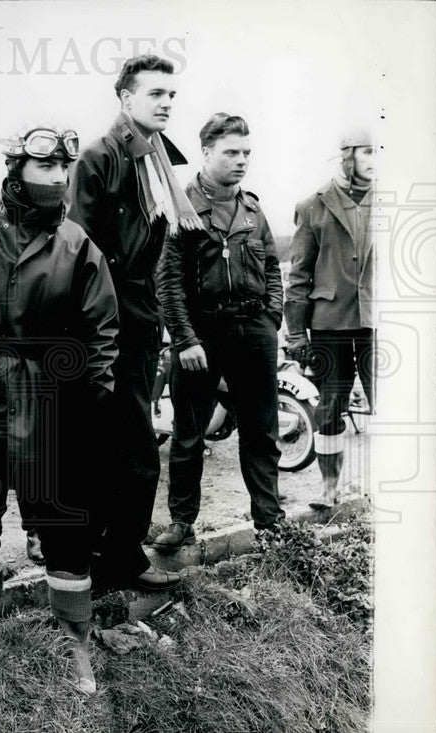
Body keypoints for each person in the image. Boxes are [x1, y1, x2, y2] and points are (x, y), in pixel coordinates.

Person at [0, 125, 119, 694]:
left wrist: (94, 397)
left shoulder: (76, 243)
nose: (57, 177)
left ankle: (75, 638)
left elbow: (102, 330)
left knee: (64, 521)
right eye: (45, 166)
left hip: (51, 398)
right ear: (17, 170)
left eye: (63, 168)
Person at [67, 54, 198, 589]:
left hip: (139, 320)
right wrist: (97, 329)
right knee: (122, 448)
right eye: (155, 94)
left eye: (171, 95)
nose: (166, 103)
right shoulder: (99, 157)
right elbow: (76, 250)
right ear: (125, 98)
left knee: (132, 446)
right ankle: (99, 564)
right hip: (106, 324)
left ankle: (115, 559)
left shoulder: (157, 159)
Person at [154, 113, 285, 552]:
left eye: (246, 152)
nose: (241, 160)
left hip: (253, 330)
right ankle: (182, 522)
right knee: (189, 435)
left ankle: (270, 524)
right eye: (231, 152)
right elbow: (168, 281)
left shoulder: (252, 209)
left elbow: (271, 267)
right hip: (202, 335)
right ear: (206, 152)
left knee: (261, 432)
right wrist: (185, 340)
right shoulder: (181, 206)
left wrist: (271, 318)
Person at [284, 128, 376, 509]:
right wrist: (295, 333)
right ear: (347, 156)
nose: (375, 160)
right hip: (329, 325)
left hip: (377, 322)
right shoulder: (313, 206)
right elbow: (298, 275)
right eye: (368, 152)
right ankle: (329, 488)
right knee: (330, 405)